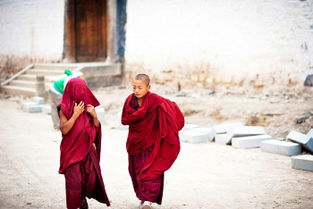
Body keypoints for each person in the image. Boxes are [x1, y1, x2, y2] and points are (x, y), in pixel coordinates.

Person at [121, 74, 184, 209]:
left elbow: (172, 110)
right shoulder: (129, 101)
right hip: (135, 142)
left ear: (148, 87)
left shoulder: (156, 100)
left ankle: (148, 200)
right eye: (134, 87)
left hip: (151, 142)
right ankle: (143, 197)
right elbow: (125, 119)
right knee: (136, 171)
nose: (136, 90)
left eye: (140, 87)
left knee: (150, 169)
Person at [57, 78, 110, 209]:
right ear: (70, 90)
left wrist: (95, 117)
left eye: (83, 89)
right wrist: (75, 115)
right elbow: (64, 129)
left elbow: (96, 129)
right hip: (72, 154)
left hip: (88, 153)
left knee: (90, 182)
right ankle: (77, 203)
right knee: (74, 185)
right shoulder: (64, 109)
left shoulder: (89, 107)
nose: (81, 92)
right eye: (77, 89)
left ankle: (82, 200)